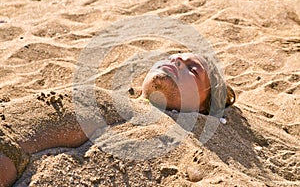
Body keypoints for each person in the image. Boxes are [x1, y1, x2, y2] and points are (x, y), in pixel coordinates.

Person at [0, 53, 235, 186]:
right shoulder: (121, 104)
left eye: (193, 70)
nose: (177, 61)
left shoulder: (172, 141)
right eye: (174, 56)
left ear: (204, 107)